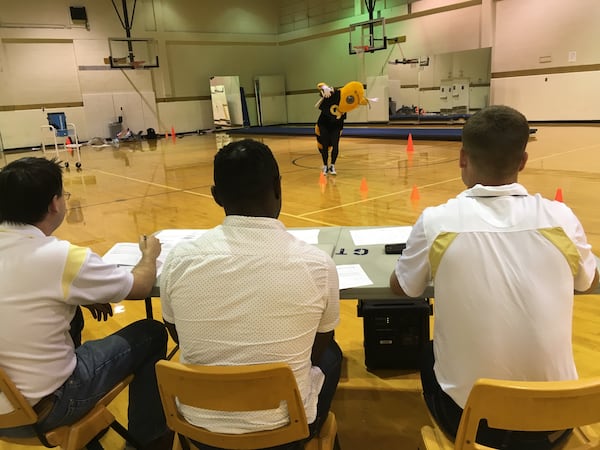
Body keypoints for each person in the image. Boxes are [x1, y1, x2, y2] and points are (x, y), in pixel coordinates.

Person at [389, 105, 599, 449]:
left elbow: (405, 288)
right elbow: (588, 283)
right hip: (558, 418)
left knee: (427, 353)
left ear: (461, 157)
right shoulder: (561, 217)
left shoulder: (437, 221)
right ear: (523, 161)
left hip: (473, 423)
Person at [160, 138, 342, 448]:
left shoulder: (178, 260)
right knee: (333, 356)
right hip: (284, 433)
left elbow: (177, 333)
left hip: (199, 430)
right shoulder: (318, 266)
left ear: (216, 197)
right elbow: (316, 348)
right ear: (278, 187)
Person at [0, 157, 172, 450]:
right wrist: (149, 255)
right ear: (55, 204)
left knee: (72, 315)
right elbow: (141, 286)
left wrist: (86, 295)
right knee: (152, 332)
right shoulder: (61, 257)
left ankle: (89, 434)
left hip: (7, 409)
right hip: (47, 409)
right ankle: (148, 441)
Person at [315, 81, 369, 175]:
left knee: (335, 144)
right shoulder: (335, 94)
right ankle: (325, 166)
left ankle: (332, 166)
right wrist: (324, 87)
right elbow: (320, 87)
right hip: (324, 123)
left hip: (336, 124)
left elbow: (359, 101)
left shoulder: (348, 103)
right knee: (325, 144)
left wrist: (367, 100)